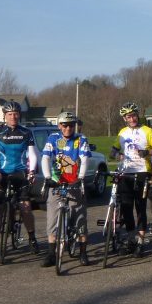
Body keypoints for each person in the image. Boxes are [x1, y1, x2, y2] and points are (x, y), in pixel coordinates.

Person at [0, 100, 40, 260]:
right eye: (9, 114)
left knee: (26, 207)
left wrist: (32, 171)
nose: (13, 117)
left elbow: (32, 154)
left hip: (20, 175)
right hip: (2, 175)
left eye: (15, 114)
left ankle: (32, 239)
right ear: (4, 116)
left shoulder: (26, 133)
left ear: (19, 115)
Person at [40, 110, 91, 267]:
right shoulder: (53, 138)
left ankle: (83, 252)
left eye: (71, 125)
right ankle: (51, 253)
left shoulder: (80, 139)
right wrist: (48, 178)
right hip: (57, 182)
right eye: (65, 125)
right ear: (59, 125)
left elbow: (85, 158)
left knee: (80, 218)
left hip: (74, 182)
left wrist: (81, 178)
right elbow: (45, 158)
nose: (68, 128)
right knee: (52, 219)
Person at [113, 102, 152, 257]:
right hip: (125, 172)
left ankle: (141, 242)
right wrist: (117, 155)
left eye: (133, 115)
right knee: (126, 208)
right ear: (124, 119)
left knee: (140, 207)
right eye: (128, 117)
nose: (132, 119)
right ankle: (131, 239)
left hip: (142, 172)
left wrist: (146, 152)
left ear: (137, 115)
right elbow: (112, 151)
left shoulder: (147, 131)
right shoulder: (122, 132)